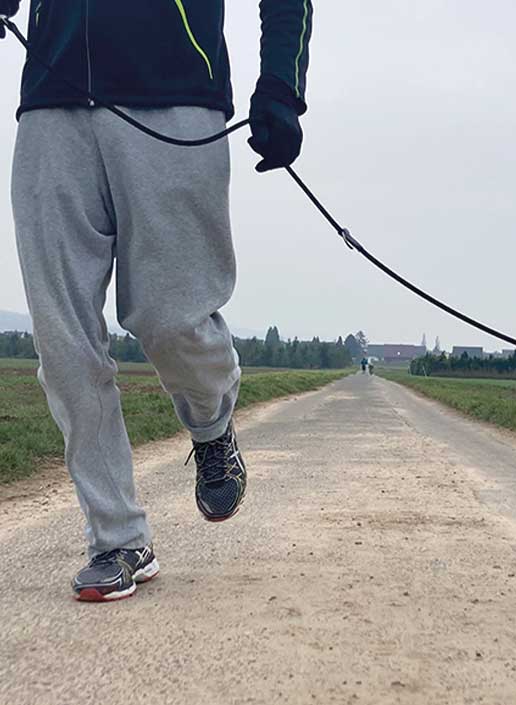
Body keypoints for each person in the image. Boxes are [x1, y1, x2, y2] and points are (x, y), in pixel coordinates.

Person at [1, 1, 312, 601]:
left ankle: (210, 420)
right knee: (61, 339)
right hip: (50, 101)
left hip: (175, 97)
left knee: (172, 320)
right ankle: (117, 538)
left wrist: (280, 84)